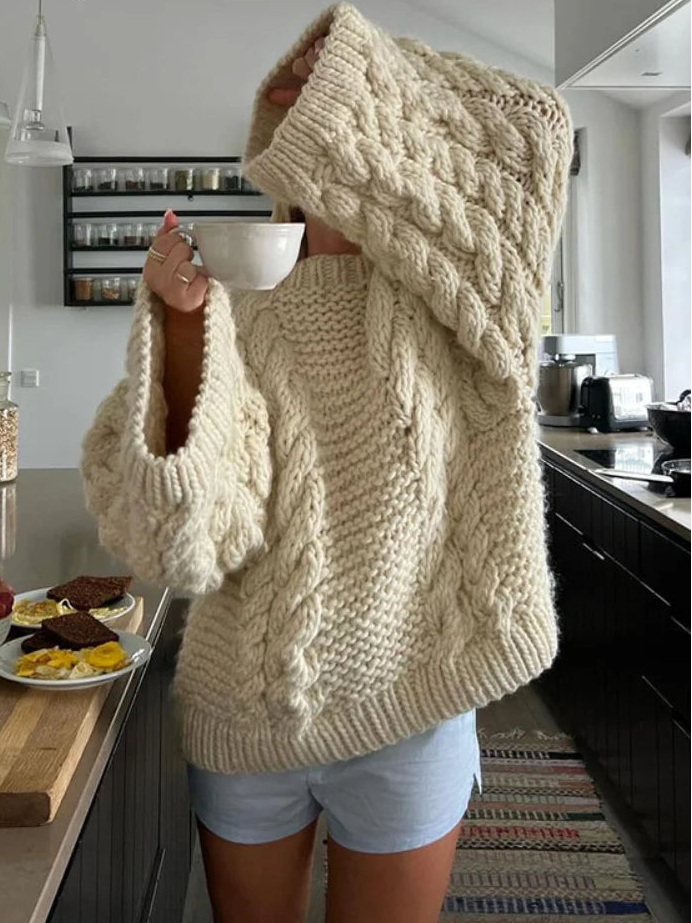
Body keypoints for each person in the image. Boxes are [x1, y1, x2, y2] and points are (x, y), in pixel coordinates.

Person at [82, 5, 572, 922]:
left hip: (414, 697)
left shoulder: (469, 294)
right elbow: (188, 540)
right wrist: (184, 331)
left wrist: (358, 63)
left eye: (333, 116)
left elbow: (536, 125)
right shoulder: (239, 301)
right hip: (247, 699)